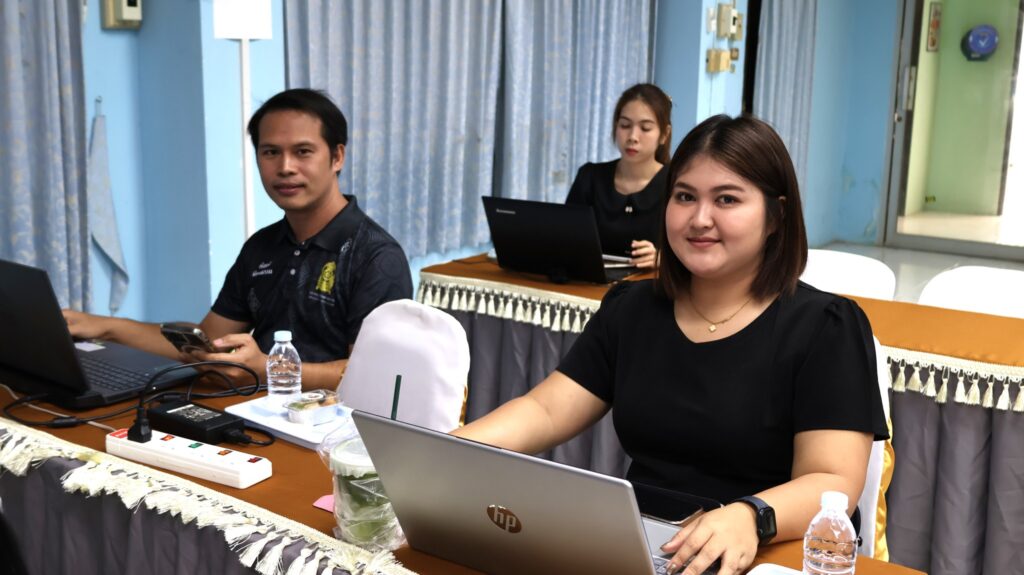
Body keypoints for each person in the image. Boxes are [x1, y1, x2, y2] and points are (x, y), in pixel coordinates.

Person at [456, 115, 888, 575]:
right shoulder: (632, 308)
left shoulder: (826, 326)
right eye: (684, 197)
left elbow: (832, 480)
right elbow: (545, 410)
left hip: (768, 551)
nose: (700, 219)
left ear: (776, 216)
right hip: (646, 548)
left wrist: (750, 515)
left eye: (726, 199)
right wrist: (445, 451)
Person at [64, 89, 413, 390]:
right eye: (270, 152)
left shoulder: (375, 256)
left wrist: (270, 369)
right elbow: (208, 341)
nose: (285, 167)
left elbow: (378, 377)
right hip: (254, 413)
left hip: (332, 432)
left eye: (303, 152)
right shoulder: (262, 246)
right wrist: (102, 326)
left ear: (337, 157)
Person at [565, 83, 672, 268]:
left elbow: (694, 249)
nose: (632, 136)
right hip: (590, 281)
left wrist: (662, 258)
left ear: (664, 134)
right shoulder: (590, 177)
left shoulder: (676, 183)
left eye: (645, 128)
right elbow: (565, 237)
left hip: (649, 282)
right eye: (625, 125)